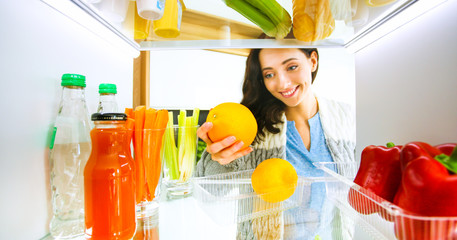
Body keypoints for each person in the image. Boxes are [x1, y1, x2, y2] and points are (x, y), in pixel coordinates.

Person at [195, 48, 356, 240]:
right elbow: (210, 191)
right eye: (269, 74)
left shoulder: (347, 118)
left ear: (313, 61)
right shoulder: (252, 128)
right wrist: (219, 159)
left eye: (292, 67)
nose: (282, 83)